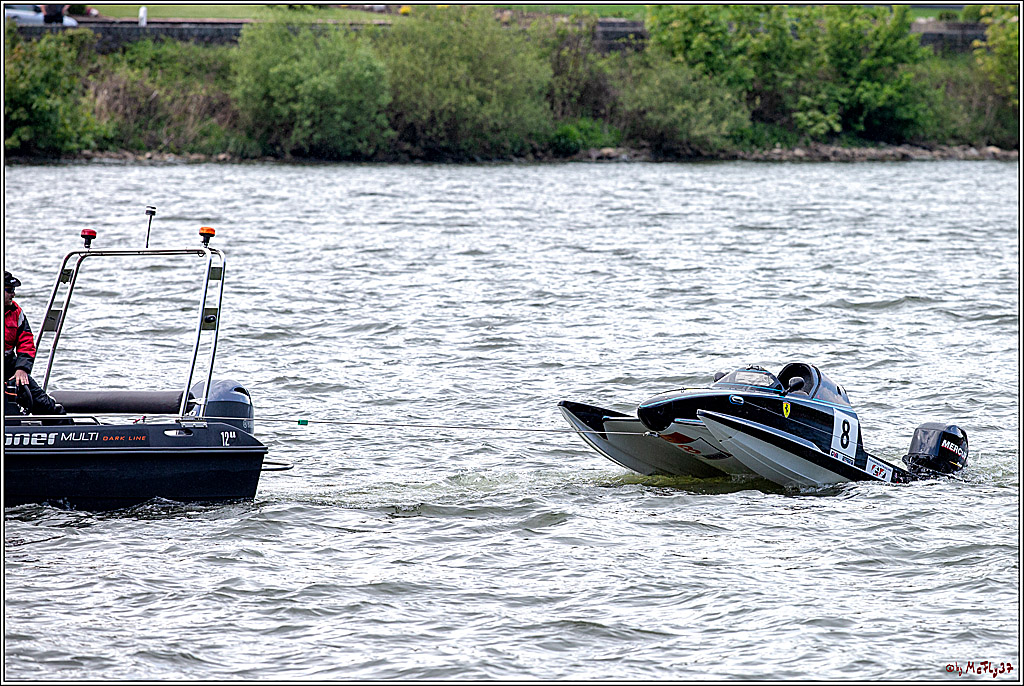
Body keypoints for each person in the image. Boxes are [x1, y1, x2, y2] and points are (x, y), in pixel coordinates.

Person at [5, 271, 63, 417]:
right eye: (10, 290)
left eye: (14, 291)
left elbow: (26, 342)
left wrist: (22, 368)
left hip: (10, 368)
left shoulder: (16, 312)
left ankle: (67, 431)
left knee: (44, 404)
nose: (13, 294)